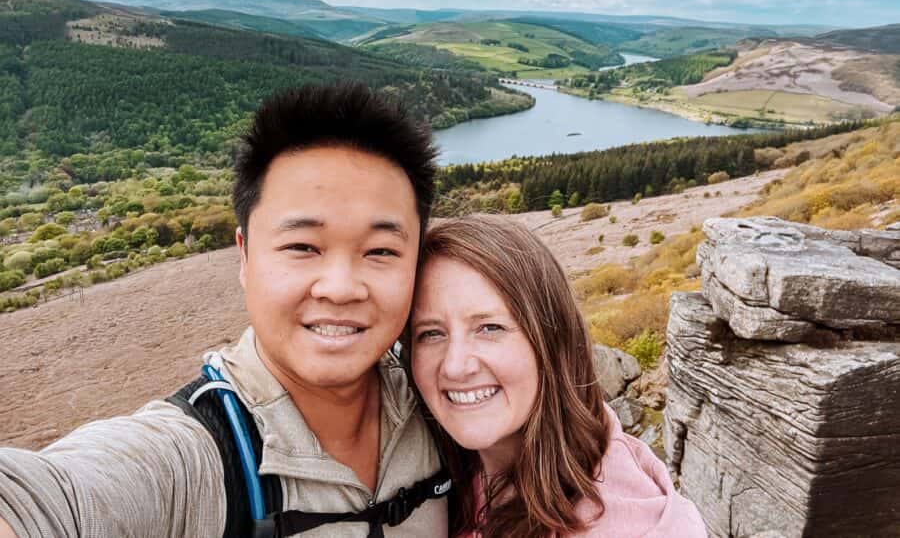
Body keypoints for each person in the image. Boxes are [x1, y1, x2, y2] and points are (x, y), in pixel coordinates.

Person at [0, 84, 449, 537]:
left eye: (380, 251)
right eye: (301, 246)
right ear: (245, 257)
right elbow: (49, 499)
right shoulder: (194, 457)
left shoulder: (442, 402)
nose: (340, 287)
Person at [409, 215, 706, 538]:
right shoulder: (468, 464)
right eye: (431, 333)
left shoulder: (626, 528)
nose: (454, 366)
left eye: (489, 328)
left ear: (552, 340)